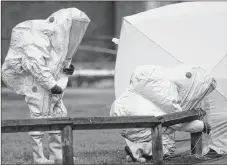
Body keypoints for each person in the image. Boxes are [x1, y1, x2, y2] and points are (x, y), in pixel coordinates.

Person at [2, 8, 90, 164]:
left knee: (59, 116)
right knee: (40, 116)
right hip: (37, 83)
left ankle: (58, 154)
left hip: (52, 85)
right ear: (65, 23)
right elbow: (35, 63)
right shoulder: (38, 33)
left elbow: (56, 62)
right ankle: (38, 157)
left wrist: (67, 70)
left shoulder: (60, 39)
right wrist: (51, 84)